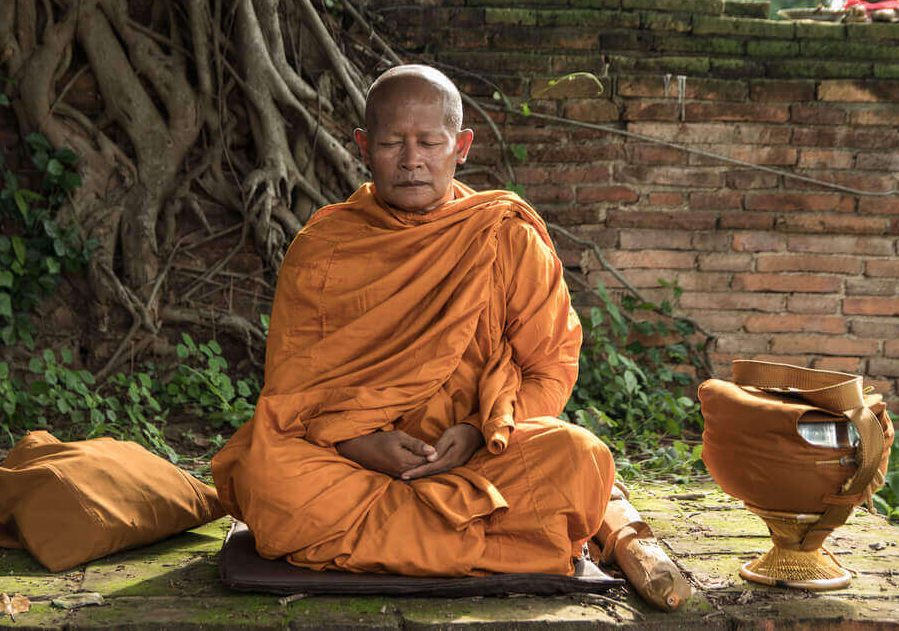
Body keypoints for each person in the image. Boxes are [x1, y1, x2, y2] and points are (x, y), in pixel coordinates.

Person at [211, 64, 616, 577]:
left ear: (461, 146)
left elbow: (550, 369)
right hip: (350, 463)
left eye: (429, 143)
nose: (411, 161)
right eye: (391, 144)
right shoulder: (324, 250)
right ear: (363, 147)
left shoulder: (505, 237)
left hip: (477, 458)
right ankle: (480, 542)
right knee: (265, 474)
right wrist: (358, 443)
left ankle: (400, 540)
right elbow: (292, 394)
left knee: (579, 457)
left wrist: (475, 430)